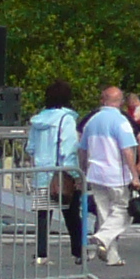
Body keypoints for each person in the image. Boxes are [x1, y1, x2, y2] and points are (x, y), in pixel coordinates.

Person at [78, 86, 140, 265]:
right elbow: (127, 150)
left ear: (102, 100)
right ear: (120, 102)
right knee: (123, 211)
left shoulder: (92, 121)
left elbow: (82, 149)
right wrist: (134, 175)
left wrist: (82, 170)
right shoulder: (120, 121)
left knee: (104, 212)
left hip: (95, 174)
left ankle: (111, 255)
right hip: (116, 174)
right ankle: (101, 238)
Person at [25, 81, 83, 263]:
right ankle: (78, 251)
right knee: (72, 214)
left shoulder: (37, 120)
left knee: (43, 215)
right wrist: (75, 174)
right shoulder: (66, 119)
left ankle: (41, 253)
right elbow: (68, 148)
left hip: (41, 172)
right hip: (61, 173)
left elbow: (31, 148)